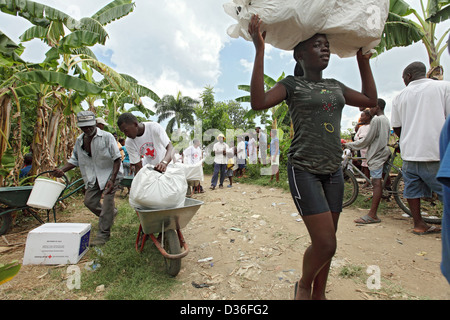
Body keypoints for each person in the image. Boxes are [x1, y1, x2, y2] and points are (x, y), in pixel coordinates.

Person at [247, 14, 377, 300]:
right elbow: (258, 102)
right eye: (318, 45)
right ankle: (304, 284)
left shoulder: (337, 86)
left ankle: (319, 293)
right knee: (326, 243)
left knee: (327, 242)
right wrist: (260, 50)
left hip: (333, 172)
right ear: (300, 54)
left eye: (327, 45)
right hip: (304, 169)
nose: (325, 48)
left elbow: (371, 101)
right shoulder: (291, 85)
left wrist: (363, 61)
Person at [391, 61, 450, 235]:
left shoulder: (399, 96)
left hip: (410, 154)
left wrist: (407, 139)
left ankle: (419, 224)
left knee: (412, 190)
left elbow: (397, 126)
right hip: (435, 153)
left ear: (408, 76)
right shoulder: (443, 87)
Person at [52, 111, 122, 246]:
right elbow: (74, 160)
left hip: (110, 174)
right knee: (89, 202)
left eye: (90, 126)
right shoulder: (80, 141)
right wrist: (62, 170)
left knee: (107, 202)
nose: (88, 129)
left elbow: (117, 159)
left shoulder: (106, 137)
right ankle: (109, 215)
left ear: (95, 124)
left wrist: (112, 180)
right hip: (92, 177)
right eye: (84, 127)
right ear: (80, 127)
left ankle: (103, 234)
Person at [345, 99, 391, 224]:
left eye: (371, 107)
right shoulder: (385, 119)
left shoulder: (376, 120)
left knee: (376, 184)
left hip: (376, 154)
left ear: (377, 107)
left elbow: (367, 140)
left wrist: (350, 145)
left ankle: (372, 215)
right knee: (380, 181)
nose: (369, 110)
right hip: (383, 152)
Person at [354, 108, 373, 185]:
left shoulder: (372, 126)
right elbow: (355, 137)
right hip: (363, 149)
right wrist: (359, 139)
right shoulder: (361, 128)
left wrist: (364, 139)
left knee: (371, 164)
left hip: (370, 148)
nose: (361, 118)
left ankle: (375, 181)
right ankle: (367, 181)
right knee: (364, 164)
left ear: (368, 116)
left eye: (362, 116)